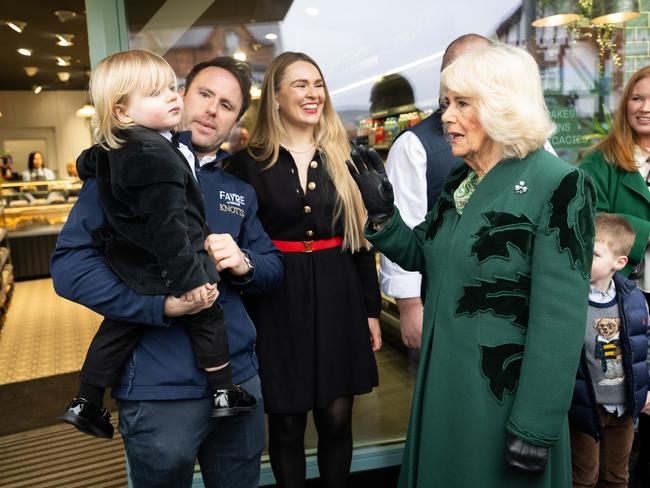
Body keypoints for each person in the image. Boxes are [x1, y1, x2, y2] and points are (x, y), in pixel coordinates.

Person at [348, 43, 595, 487]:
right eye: (447, 103)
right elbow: (429, 255)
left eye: (463, 104)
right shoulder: (463, 180)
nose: (445, 116)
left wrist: (535, 425)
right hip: (446, 385)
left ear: (502, 105)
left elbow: (559, 319)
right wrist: (385, 216)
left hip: (502, 401)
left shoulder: (559, 183)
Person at [50, 55, 283, 488]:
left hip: (238, 377)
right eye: (205, 94)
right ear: (183, 95)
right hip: (158, 391)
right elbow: (69, 267)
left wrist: (244, 262)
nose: (212, 109)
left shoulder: (239, 191)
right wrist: (159, 304)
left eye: (227, 105)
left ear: (235, 121)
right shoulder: (121, 171)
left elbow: (273, 267)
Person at [224, 51, 382, 488]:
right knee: (288, 423)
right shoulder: (244, 164)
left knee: (336, 417)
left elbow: (360, 240)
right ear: (275, 96)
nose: (313, 94)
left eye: (318, 84)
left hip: (338, 292)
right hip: (275, 298)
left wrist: (370, 310)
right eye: (299, 85)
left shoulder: (346, 157)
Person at [380, 33, 491, 350]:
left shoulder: (524, 139)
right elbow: (410, 228)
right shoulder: (415, 145)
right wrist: (409, 304)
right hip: (444, 304)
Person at [580, 65, 650, 482]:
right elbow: (590, 222)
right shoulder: (602, 161)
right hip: (623, 302)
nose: (645, 108)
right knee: (624, 402)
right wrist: (643, 231)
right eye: (638, 99)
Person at [569, 213, 650, 488]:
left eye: (594, 253)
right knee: (583, 477)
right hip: (584, 406)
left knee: (616, 476)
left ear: (619, 262)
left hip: (623, 409)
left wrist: (645, 389)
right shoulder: (571, 298)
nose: (584, 257)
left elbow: (642, 345)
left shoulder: (633, 299)